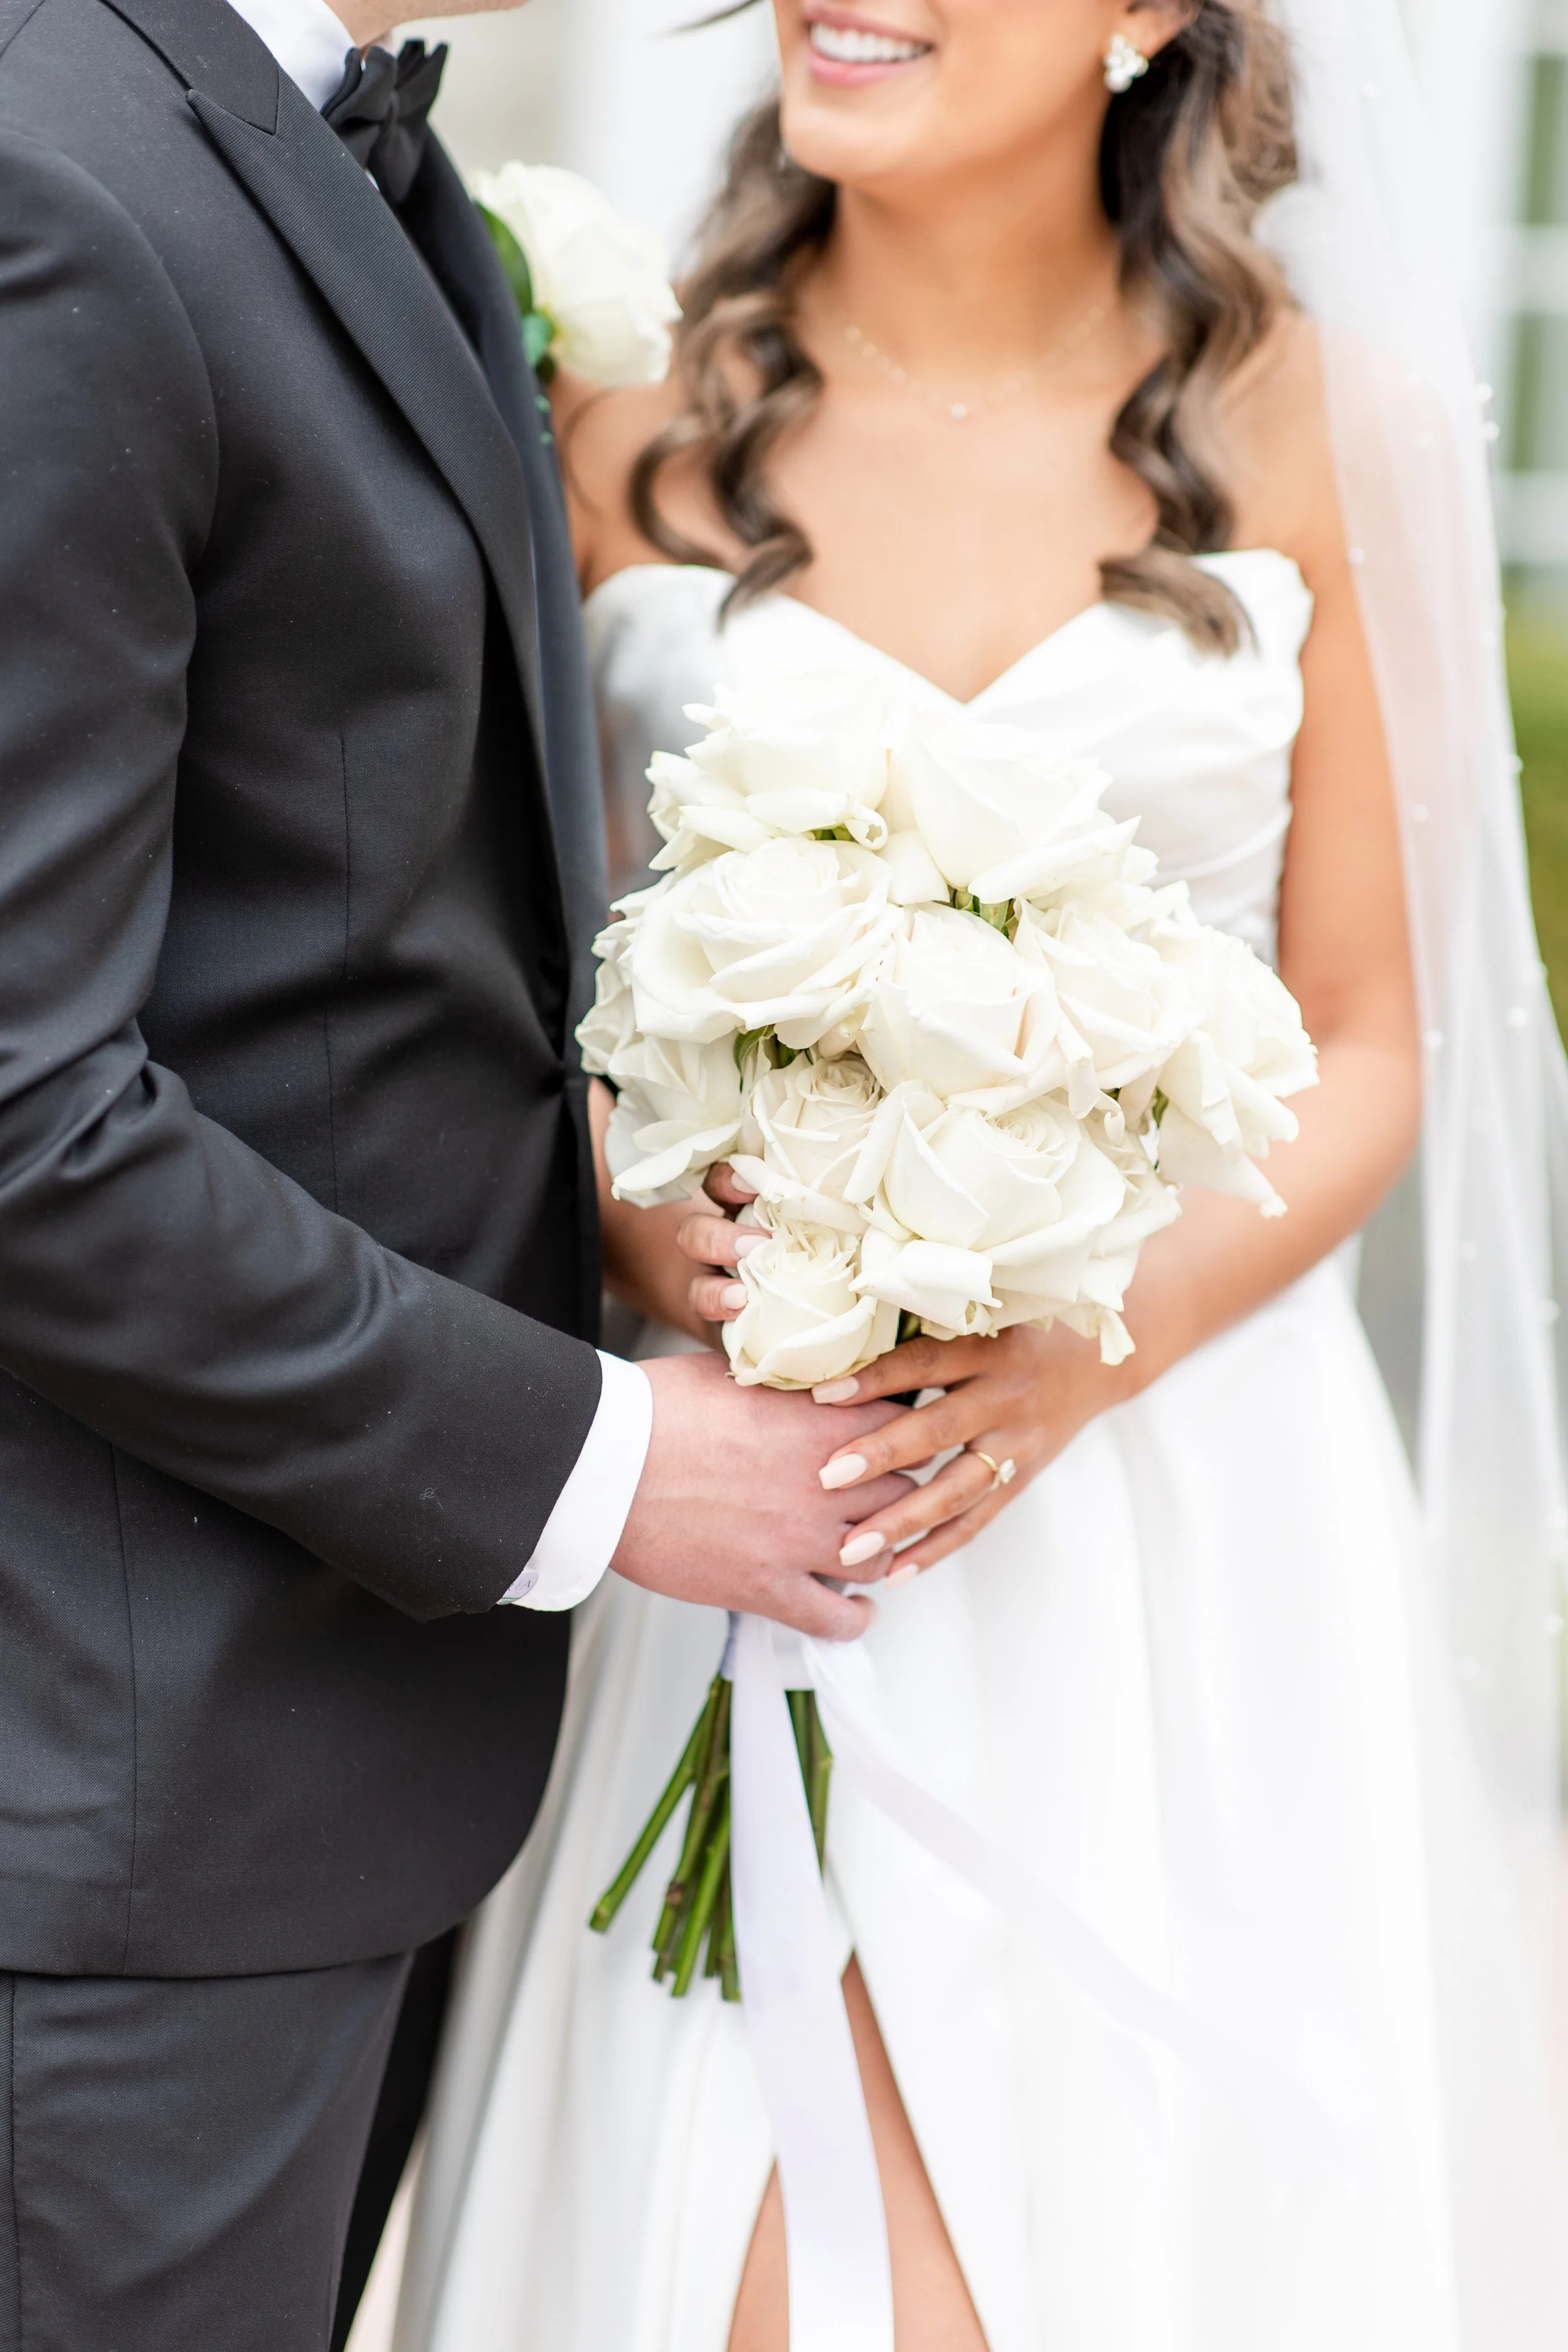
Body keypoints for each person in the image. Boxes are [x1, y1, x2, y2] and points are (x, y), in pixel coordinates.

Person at [390, 3, 1568, 2349]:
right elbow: (518, 971)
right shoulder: (609, 411)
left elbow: (1361, 1039)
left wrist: (1072, 1350)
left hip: (1163, 1499)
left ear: (1149, 14)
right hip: (734, 1469)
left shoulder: (1324, 423)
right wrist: (633, 1211)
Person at [0, 0, 919, 2343]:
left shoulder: (359, 155)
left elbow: (333, 913)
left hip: (328, 1769)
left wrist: (606, 1174)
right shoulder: (57, 176)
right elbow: (24, 1116)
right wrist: (606, 1462)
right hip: (107, 1820)